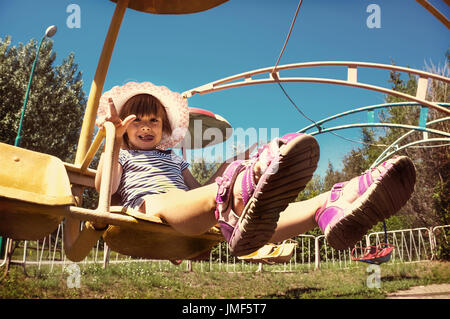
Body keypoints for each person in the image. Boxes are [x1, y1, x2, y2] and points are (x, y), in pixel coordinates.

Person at [93, 81, 416, 256]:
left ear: (164, 129)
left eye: (154, 121)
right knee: (206, 200)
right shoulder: (121, 156)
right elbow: (104, 191)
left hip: (183, 213)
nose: (146, 127)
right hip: (145, 211)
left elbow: (196, 191)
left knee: (253, 217)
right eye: (137, 121)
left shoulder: (176, 160)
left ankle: (329, 203)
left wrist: (226, 166)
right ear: (124, 126)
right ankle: (240, 189)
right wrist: (113, 142)